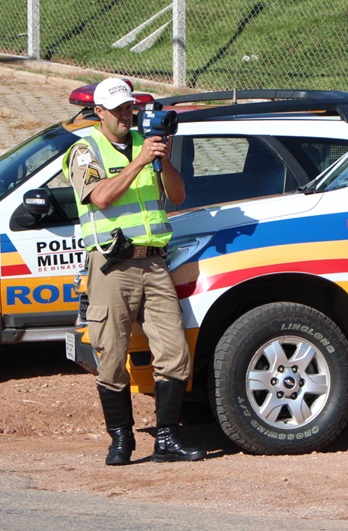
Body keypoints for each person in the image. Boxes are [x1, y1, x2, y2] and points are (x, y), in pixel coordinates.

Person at [64, 77, 206, 465]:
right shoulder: (84, 151)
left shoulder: (149, 145)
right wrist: (140, 162)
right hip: (112, 267)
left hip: (154, 262)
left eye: (130, 108)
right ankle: (121, 439)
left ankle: (166, 439)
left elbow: (177, 196)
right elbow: (102, 198)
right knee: (110, 354)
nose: (127, 116)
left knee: (174, 353)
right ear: (100, 113)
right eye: (119, 110)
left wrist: (162, 160)